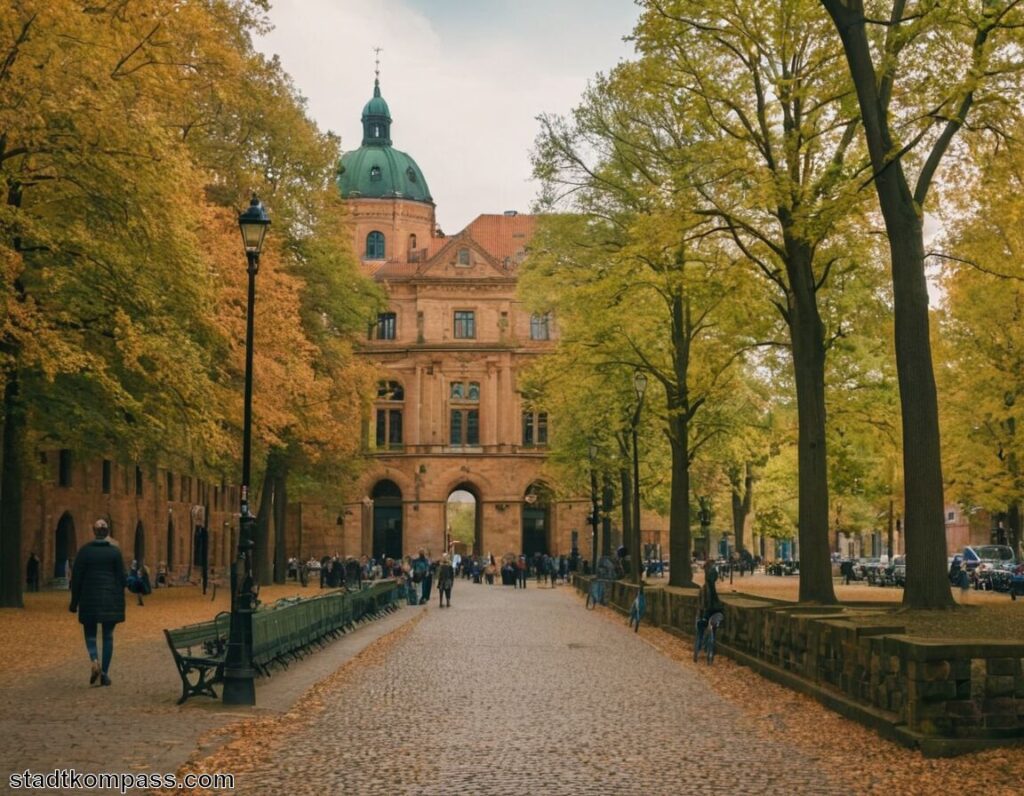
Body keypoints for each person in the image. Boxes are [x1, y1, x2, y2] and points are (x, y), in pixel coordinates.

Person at [69, 519, 126, 687]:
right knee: (108, 637)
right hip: (110, 600)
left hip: (89, 599)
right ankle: (105, 673)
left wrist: (74, 603)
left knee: (90, 634)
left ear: (94, 532)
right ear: (107, 532)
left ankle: (94, 660)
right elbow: (122, 579)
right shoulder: (115, 553)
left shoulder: (84, 552)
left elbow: (77, 579)